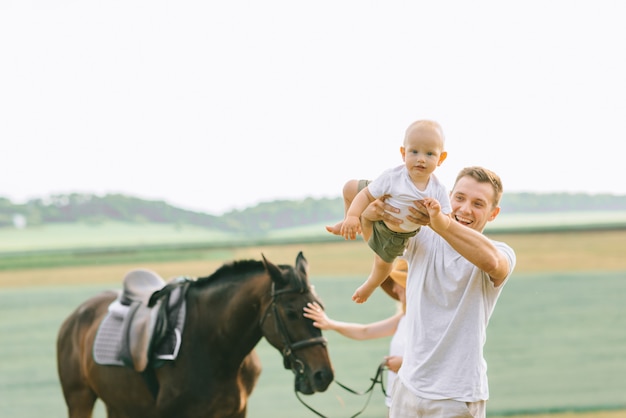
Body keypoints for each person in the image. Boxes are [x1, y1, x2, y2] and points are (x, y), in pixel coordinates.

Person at [360, 166, 516, 418]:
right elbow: (382, 248)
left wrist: (441, 223)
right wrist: (368, 217)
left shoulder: (501, 251)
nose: (465, 209)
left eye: (478, 204)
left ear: (493, 213)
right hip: (408, 387)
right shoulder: (423, 237)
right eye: (460, 198)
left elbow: (493, 264)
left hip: (457, 396)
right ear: (449, 196)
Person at [327, 119, 451, 304]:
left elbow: (446, 223)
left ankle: (369, 285)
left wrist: (436, 214)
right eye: (414, 151)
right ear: (403, 153)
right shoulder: (393, 176)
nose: (421, 159)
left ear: (441, 158)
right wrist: (353, 216)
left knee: (383, 265)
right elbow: (366, 195)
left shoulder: (438, 189)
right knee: (350, 188)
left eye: (430, 154)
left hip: (394, 233)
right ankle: (348, 223)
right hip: (382, 198)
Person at [303, 258, 409, 412]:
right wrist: (330, 324)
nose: (394, 289)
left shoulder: (429, 319)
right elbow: (365, 332)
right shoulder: (403, 318)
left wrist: (404, 364)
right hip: (397, 401)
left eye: (398, 283)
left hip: (416, 401)